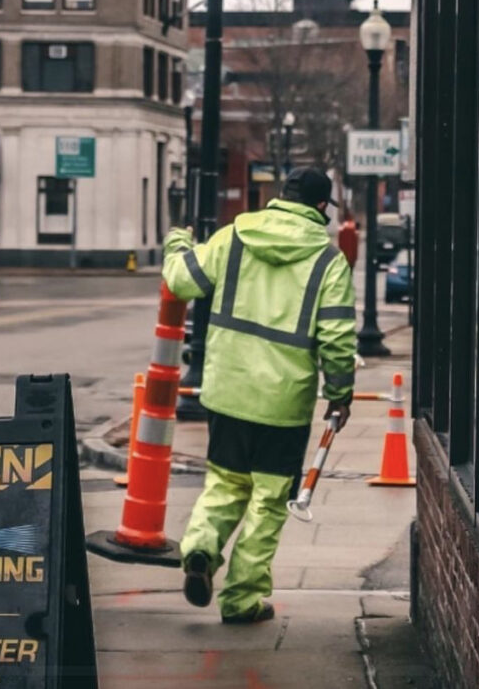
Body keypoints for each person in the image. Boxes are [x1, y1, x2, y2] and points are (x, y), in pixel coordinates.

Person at [162, 167, 356, 624]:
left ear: (278, 197)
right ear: (322, 208)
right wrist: (341, 394)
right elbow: (338, 338)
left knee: (226, 483)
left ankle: (201, 550)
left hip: (227, 391)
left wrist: (177, 241)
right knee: (269, 501)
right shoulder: (328, 262)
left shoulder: (234, 237)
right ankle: (242, 599)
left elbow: (181, 279)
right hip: (283, 406)